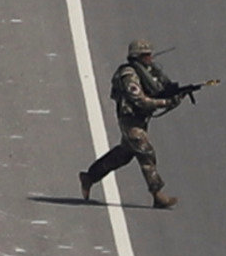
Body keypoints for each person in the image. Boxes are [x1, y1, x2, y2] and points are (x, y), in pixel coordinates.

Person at [80, 40, 204, 208]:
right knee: (146, 152)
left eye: (150, 54)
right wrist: (166, 102)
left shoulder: (149, 73)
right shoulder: (129, 75)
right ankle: (157, 195)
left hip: (140, 120)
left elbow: (161, 91)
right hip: (130, 120)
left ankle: (90, 176)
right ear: (136, 56)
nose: (150, 58)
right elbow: (140, 101)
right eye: (146, 55)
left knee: (124, 155)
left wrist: (176, 96)